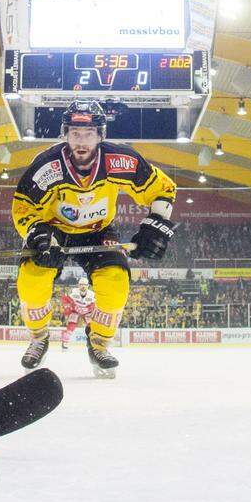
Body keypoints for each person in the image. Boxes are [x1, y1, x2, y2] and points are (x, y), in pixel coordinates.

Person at [12, 100, 177, 377]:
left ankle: (99, 342)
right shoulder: (47, 165)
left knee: (116, 282)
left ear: (101, 135)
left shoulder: (122, 160)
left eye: (89, 134)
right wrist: (37, 233)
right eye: (75, 133)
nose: (81, 141)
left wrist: (155, 225)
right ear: (65, 134)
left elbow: (162, 189)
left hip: (99, 231)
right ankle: (39, 338)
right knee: (32, 278)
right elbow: (23, 206)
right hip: (53, 231)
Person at [59, 277, 95, 349]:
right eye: (81, 284)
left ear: (88, 286)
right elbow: (64, 299)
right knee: (71, 324)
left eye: (85, 285)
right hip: (75, 310)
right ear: (78, 285)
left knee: (91, 325)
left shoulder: (92, 294)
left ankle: (93, 341)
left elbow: (95, 304)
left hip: (86, 311)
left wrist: (88, 309)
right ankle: (65, 341)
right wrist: (69, 306)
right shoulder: (73, 291)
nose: (83, 286)